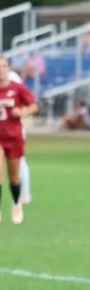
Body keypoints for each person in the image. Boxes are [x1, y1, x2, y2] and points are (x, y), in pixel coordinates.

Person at [0, 55, 37, 224]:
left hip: (13, 137)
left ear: (8, 69)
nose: (1, 70)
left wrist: (22, 112)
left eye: (4, 66)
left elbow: (33, 105)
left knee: (14, 176)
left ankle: (16, 204)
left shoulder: (17, 88)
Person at [7, 68, 32, 204]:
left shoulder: (12, 78)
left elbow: (26, 102)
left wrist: (21, 112)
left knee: (18, 160)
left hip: (14, 127)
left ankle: (24, 193)